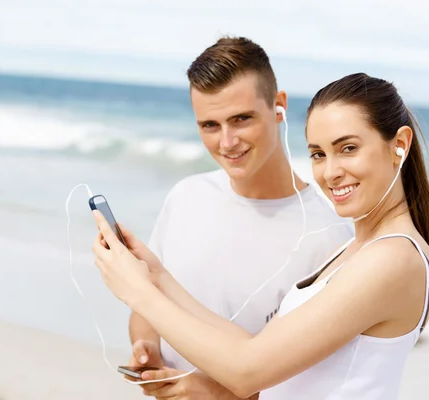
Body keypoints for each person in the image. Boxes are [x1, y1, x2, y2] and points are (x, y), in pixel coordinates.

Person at [94, 72, 429, 399]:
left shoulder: (393, 258)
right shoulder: (357, 249)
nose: (331, 171)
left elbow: (246, 372)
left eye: (348, 148)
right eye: (318, 154)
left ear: (399, 145)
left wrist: (138, 293)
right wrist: (157, 277)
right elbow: (256, 349)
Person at [124, 36, 354, 399]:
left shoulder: (328, 239)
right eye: (210, 126)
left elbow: (311, 387)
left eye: (241, 119)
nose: (227, 142)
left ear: (278, 106)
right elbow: (150, 305)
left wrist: (214, 392)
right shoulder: (186, 196)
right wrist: (145, 345)